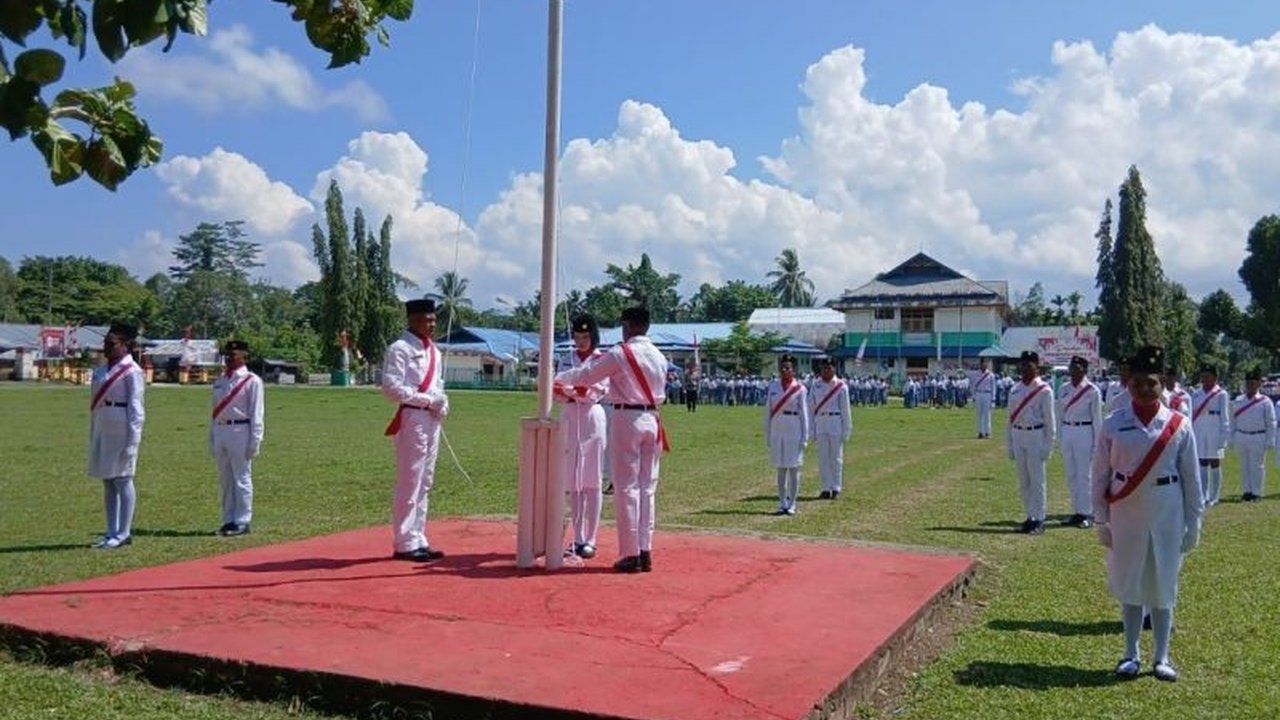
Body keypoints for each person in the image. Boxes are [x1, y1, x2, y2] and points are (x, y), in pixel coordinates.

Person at [1092, 345, 1203, 682]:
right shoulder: (1113, 424)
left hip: (1167, 510)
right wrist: (1100, 519)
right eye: (1138, 381)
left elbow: (1192, 480)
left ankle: (1162, 656)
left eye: (1151, 382)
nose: (1143, 388)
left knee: (1164, 583)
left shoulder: (1179, 424)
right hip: (1126, 512)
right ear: (1129, 384)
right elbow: (1099, 476)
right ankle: (1130, 653)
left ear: (1162, 384)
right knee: (1130, 582)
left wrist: (1193, 523)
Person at [554, 306, 667, 573]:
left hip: (628, 417)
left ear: (628, 325)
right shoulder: (659, 356)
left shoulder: (621, 353)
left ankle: (630, 554)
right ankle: (644, 548)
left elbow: (588, 374)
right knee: (647, 488)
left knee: (626, 487)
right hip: (653, 417)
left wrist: (557, 379)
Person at [382, 298, 450, 562]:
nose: (432, 324)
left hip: (431, 417)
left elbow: (438, 382)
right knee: (410, 479)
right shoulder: (399, 349)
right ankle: (404, 540)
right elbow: (391, 387)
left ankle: (418, 535)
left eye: (434, 319)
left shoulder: (434, 350)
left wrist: (442, 402)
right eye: (427, 319)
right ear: (413, 319)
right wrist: (426, 400)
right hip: (412, 416)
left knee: (426, 479)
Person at [553, 315, 608, 558]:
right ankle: (577, 537)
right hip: (569, 416)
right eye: (577, 337)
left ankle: (592, 538)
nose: (581, 342)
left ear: (593, 336)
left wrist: (571, 391)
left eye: (585, 337)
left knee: (592, 480)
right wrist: (571, 392)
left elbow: (595, 392)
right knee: (573, 481)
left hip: (591, 418)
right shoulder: (567, 359)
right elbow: (555, 390)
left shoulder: (602, 360)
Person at [87, 324, 145, 550]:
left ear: (125, 345)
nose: (107, 348)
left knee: (123, 479)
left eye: (112, 344)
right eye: (105, 344)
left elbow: (136, 408)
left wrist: (133, 440)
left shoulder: (132, 371)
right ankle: (111, 530)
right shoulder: (101, 370)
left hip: (122, 428)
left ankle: (124, 532)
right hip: (103, 426)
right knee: (108, 481)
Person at [209, 339, 265, 536]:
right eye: (227, 355)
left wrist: (255, 440)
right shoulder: (220, 380)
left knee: (241, 478)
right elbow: (214, 413)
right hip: (222, 430)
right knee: (225, 480)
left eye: (233, 355)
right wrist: (212, 437)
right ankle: (228, 519)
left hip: (241, 431)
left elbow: (256, 414)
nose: (229, 358)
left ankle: (242, 520)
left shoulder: (252, 381)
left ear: (244, 356)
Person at [1006, 350, 1056, 534]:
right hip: (1019, 434)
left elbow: (1051, 423)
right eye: (1022, 364)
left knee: (1037, 480)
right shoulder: (1015, 389)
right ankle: (1030, 516)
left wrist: (1048, 446)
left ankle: (1039, 519)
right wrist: (1009, 444)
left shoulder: (1044, 390)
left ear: (1037, 366)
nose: (1024, 367)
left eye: (1028, 364)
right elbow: (1009, 420)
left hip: (1036, 435)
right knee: (1023, 480)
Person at [1057, 355, 1103, 528]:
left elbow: (1097, 420)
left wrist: (1097, 444)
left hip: (1085, 431)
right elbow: (1060, 414)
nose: (1073, 370)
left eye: (1077, 367)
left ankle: (1087, 513)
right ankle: (1076, 511)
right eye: (1072, 366)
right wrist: (1060, 438)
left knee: (1084, 475)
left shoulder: (1092, 390)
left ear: (1084, 369)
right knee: (1071, 474)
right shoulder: (1063, 389)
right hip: (1068, 430)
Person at [764, 354, 810, 515]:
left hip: (794, 428)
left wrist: (805, 437)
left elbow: (804, 414)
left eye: (788, 367)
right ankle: (782, 502)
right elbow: (768, 412)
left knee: (794, 468)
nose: (784, 370)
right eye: (782, 367)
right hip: (778, 429)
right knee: (781, 468)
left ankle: (793, 503)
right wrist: (768, 434)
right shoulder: (773, 387)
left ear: (794, 369)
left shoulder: (800, 389)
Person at [808, 357, 852, 500]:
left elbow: (846, 410)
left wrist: (847, 430)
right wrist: (811, 429)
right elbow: (811, 408)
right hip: (820, 422)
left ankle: (836, 487)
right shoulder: (816, 385)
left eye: (829, 367)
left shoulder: (841, 386)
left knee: (836, 458)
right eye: (824, 368)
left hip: (835, 421)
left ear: (834, 368)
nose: (826, 370)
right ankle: (825, 488)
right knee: (823, 458)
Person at [1231, 369, 1275, 502]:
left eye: (1253, 382)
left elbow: (1271, 422)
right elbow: (1233, 421)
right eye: (1248, 382)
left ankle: (1257, 492)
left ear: (1258, 384)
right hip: (1242, 435)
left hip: (1258, 436)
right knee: (1244, 466)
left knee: (1257, 466)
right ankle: (1247, 491)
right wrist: (1232, 437)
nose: (1250, 385)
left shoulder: (1265, 401)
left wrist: (1270, 439)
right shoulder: (1238, 400)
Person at [1190, 364, 1231, 507]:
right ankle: (1204, 495)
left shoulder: (1221, 394)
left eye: (1207, 376)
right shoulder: (1196, 393)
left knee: (1215, 462)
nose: (1204, 379)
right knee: (1202, 463)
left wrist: (1223, 439)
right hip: (1200, 430)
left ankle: (1215, 496)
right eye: (1203, 376)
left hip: (1215, 430)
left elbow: (1225, 417)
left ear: (1215, 377)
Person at [970, 360, 996, 438]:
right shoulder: (976, 374)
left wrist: (993, 398)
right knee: (979, 414)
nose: (983, 366)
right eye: (981, 365)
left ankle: (987, 432)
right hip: (978, 393)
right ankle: (980, 432)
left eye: (984, 364)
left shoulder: (991, 375)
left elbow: (993, 387)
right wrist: (973, 396)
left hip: (987, 394)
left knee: (987, 414)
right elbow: (973, 385)